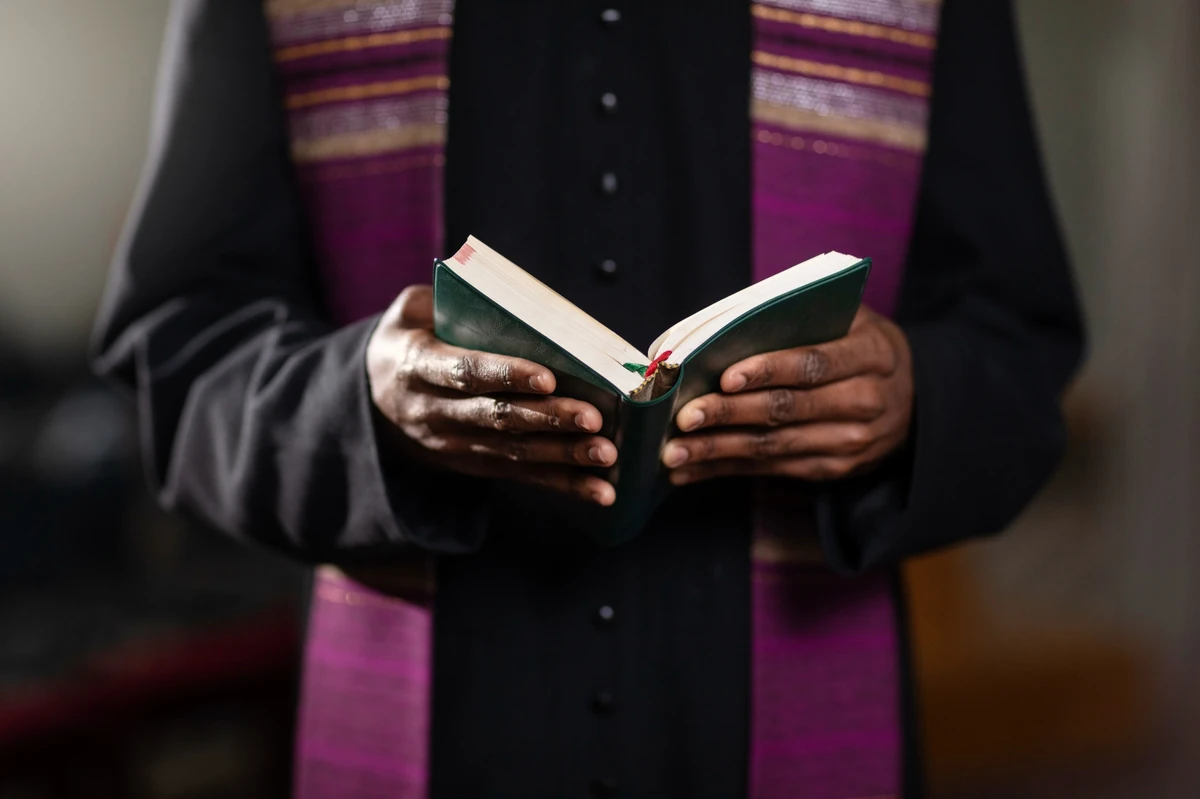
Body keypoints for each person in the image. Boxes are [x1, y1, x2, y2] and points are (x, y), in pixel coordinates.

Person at [93, 0, 1084, 797]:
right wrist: (360, 400)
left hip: (790, 699)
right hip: (437, 724)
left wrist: (911, 400)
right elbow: (182, 358)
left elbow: (1020, 347)